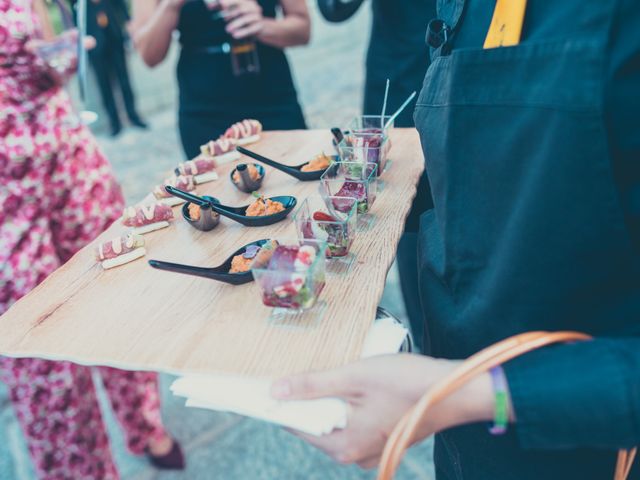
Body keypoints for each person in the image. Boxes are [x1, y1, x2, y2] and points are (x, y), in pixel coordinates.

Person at [271, 1, 640, 479]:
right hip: (458, 424)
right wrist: (351, 208)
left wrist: (460, 393)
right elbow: (485, 172)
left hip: (579, 436)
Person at [0, 1, 183, 478]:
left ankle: (144, 424)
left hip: (65, 149)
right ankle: (82, 472)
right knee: (36, 341)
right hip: (4, 190)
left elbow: (54, 43)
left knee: (114, 286)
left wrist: (60, 50)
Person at [317, 0, 436, 351]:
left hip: (473, 79)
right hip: (397, 81)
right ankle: (428, 355)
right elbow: (333, 9)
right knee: (410, 221)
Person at [130, 0, 310, 159]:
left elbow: (303, 29)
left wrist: (261, 26)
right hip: (203, 111)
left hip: (273, 98)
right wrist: (171, 5)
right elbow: (149, 55)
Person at [71, 0, 148, 136]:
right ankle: (114, 123)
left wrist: (129, 25)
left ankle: (133, 116)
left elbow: (121, 5)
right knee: (104, 85)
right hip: (94, 42)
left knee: (124, 79)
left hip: (114, 35)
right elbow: (75, 14)